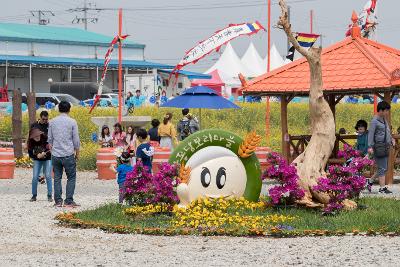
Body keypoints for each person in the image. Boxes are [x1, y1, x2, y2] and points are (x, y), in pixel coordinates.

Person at [48, 101, 81, 207]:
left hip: (56, 154)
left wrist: (52, 150)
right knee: (71, 177)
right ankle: (69, 201)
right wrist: (77, 153)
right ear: (69, 109)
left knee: (57, 177)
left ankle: (58, 201)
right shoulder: (72, 122)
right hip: (68, 153)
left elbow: (50, 139)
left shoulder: (52, 121)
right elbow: (76, 140)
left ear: (58, 109)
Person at [368, 101, 394, 194]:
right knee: (382, 168)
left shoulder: (384, 119)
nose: (387, 112)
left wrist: (391, 139)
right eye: (386, 110)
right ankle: (382, 188)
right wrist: (370, 146)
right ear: (381, 110)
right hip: (378, 147)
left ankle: (370, 181)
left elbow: (387, 131)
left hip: (385, 146)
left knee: (383, 168)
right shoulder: (374, 121)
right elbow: (371, 134)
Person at [27, 128, 52, 202]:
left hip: (47, 159)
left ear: (40, 134)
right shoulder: (30, 142)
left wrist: (45, 153)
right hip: (37, 160)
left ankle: (49, 195)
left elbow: (50, 148)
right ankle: (34, 195)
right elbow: (31, 154)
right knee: (35, 176)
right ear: (32, 137)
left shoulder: (45, 138)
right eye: (35, 137)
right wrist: (37, 156)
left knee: (48, 175)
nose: (37, 137)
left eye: (38, 136)